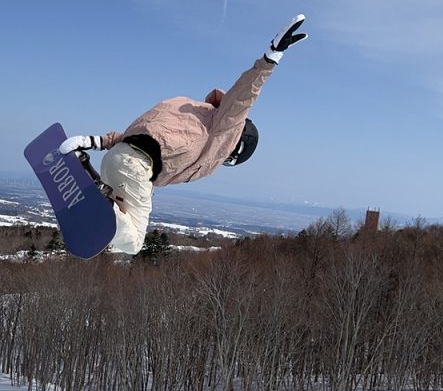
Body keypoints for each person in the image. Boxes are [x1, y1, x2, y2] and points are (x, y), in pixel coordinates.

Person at [60, 14, 308, 255]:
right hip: (136, 169)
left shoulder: (186, 110)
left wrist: (92, 141)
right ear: (238, 142)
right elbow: (244, 95)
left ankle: (92, 181)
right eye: (230, 157)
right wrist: (271, 57)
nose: (224, 159)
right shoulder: (224, 127)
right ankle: (96, 197)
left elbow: (140, 133)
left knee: (114, 231)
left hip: (115, 158)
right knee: (133, 242)